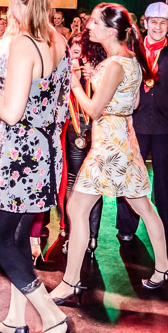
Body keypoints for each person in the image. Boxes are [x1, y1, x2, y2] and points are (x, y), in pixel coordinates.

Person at [52, 3, 168, 309]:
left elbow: (93, 110)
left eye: (94, 22)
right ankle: (163, 268)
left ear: (110, 30)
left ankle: (70, 282)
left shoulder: (113, 65)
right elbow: (133, 104)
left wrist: (75, 85)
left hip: (108, 147)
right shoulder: (131, 59)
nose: (88, 26)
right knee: (144, 208)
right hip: (124, 141)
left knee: (77, 208)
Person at [0, 0, 74, 333]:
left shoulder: (22, 44)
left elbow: (12, 113)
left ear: (17, 0)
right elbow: (43, 97)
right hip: (45, 156)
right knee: (16, 241)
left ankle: (53, 317)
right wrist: (4, 85)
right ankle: (15, 321)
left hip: (18, 158)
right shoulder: (58, 40)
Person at [116, 2, 168, 244]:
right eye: (154, 22)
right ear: (145, 23)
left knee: (167, 180)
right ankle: (126, 226)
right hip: (134, 123)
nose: (158, 27)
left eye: (163, 23)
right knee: (130, 176)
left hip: (164, 125)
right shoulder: (130, 50)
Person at [61, 32, 107, 256]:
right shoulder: (66, 68)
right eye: (75, 46)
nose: (78, 49)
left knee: (95, 181)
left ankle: (92, 236)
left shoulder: (104, 68)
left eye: (83, 46)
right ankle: (72, 234)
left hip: (99, 127)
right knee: (74, 180)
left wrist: (95, 78)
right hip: (76, 127)